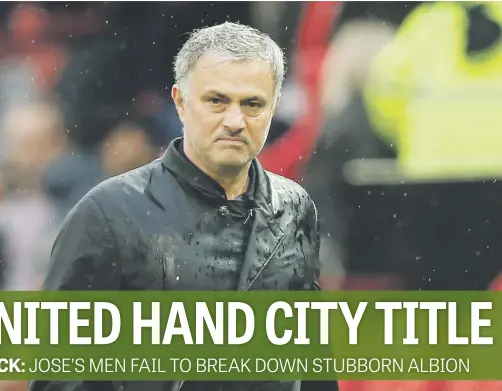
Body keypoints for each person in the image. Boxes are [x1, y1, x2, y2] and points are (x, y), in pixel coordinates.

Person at [31, 22, 338, 391]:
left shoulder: (294, 207)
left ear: (274, 106)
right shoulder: (106, 214)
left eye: (252, 104)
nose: (235, 121)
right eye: (217, 101)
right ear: (180, 102)